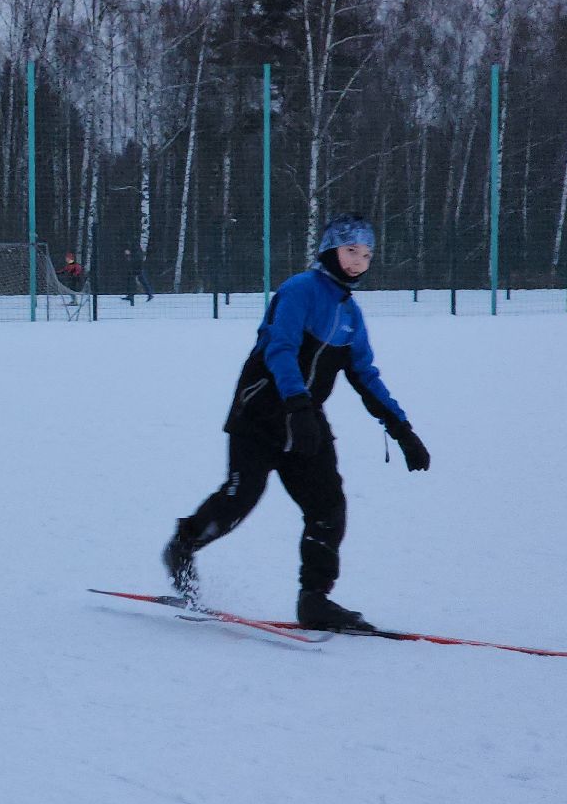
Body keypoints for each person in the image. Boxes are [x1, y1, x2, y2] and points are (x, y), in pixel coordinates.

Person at [161, 214, 430, 631]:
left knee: (328, 507)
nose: (358, 261)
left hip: (305, 421)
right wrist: (298, 405)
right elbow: (280, 349)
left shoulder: (350, 314)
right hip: (260, 412)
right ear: (330, 250)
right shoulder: (300, 290)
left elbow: (365, 375)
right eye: (350, 251)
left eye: (366, 255)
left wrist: (402, 430)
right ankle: (183, 545)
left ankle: (314, 600)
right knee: (240, 497)